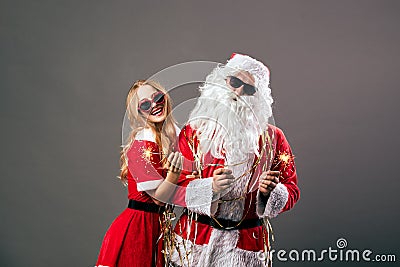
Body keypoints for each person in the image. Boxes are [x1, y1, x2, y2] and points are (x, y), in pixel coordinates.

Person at [170, 53, 300, 267]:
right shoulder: (193, 133)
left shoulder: (274, 139)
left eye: (249, 89)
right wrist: (209, 187)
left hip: (245, 247)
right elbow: (175, 185)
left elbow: (292, 190)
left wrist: (271, 193)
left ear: (258, 98)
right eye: (235, 82)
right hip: (193, 241)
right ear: (221, 82)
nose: (239, 92)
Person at [96, 80, 183, 267]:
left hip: (160, 229)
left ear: (165, 97)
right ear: (139, 112)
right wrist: (174, 175)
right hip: (137, 230)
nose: (154, 105)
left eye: (157, 98)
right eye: (145, 104)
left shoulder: (179, 138)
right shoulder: (141, 145)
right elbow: (159, 199)